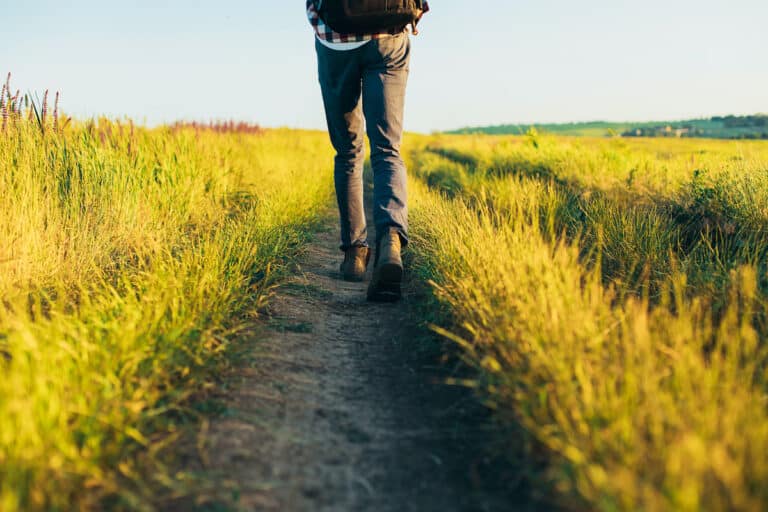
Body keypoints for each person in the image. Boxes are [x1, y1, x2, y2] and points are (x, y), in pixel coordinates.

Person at [306, 0, 428, 302]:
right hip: (389, 36)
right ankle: (390, 242)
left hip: (335, 39)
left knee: (348, 151)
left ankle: (355, 254)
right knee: (387, 148)